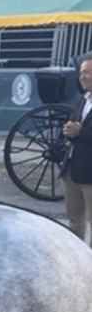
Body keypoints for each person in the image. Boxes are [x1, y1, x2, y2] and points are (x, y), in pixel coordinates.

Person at [61, 54, 92, 244]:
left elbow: (82, 131)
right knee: (74, 220)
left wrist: (80, 132)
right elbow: (75, 127)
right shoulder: (81, 100)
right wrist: (68, 130)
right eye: (82, 72)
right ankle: (77, 258)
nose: (84, 76)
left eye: (89, 72)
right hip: (71, 169)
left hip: (90, 172)